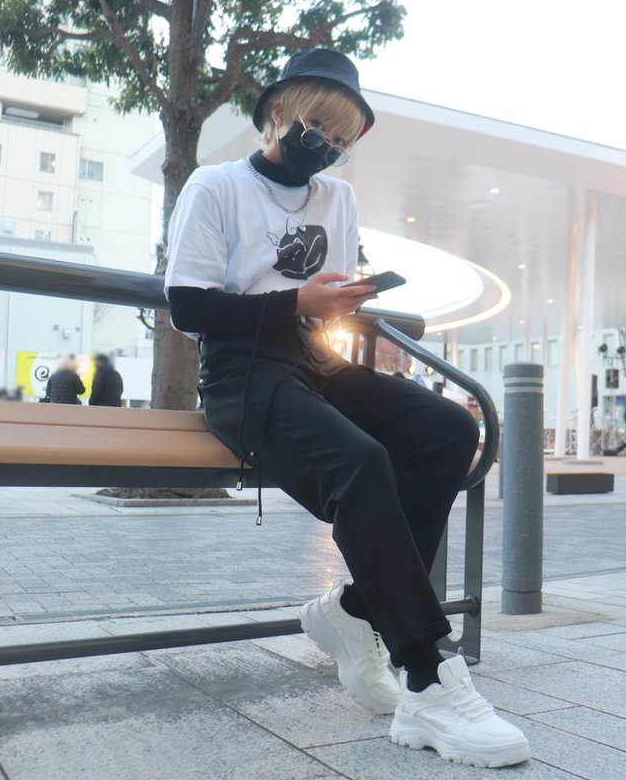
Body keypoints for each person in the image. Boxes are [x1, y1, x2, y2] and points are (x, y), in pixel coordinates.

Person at [164, 47, 528, 768]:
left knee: (446, 429)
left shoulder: (336, 198)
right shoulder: (215, 185)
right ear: (278, 113)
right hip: (241, 372)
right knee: (361, 462)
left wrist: (340, 298)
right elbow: (187, 306)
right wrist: (295, 301)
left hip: (315, 360)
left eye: (341, 139)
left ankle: (357, 610)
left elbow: (321, 294)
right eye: (318, 128)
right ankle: (427, 676)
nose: (327, 146)